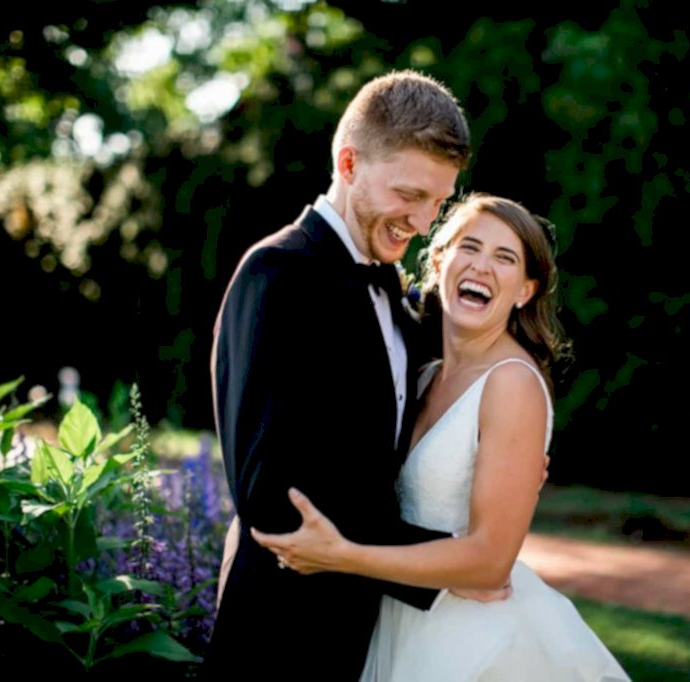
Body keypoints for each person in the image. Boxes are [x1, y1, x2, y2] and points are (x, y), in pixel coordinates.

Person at [253, 193, 632, 681]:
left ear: (525, 290)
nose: (482, 267)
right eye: (469, 248)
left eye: (505, 258)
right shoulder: (422, 376)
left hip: (473, 638)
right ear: (438, 261)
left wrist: (345, 557)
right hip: (398, 618)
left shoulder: (512, 384)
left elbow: (490, 564)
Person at [205, 70, 501, 678]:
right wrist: (453, 563)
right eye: (410, 195)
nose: (423, 222)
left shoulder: (394, 292)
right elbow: (270, 500)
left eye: (438, 203)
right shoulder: (276, 275)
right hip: (279, 641)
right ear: (347, 163)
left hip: (360, 637)